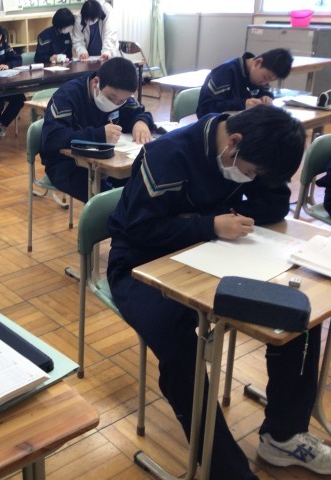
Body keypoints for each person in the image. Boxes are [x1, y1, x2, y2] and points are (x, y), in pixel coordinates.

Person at [107, 104, 331, 478]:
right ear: (234, 142)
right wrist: (208, 225)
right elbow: (139, 229)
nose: (250, 178)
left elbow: (271, 207)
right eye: (252, 171)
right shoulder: (168, 156)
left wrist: (261, 183)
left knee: (297, 313)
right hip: (139, 265)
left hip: (213, 254)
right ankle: (226, 471)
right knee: (180, 348)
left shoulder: (246, 149)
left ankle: (283, 436)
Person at [40, 57, 155, 203]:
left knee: (138, 187)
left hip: (107, 162)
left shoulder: (120, 94)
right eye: (111, 97)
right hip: (66, 164)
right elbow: (52, 139)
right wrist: (99, 135)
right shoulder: (67, 96)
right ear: (96, 82)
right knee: (109, 201)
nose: (115, 103)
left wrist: (141, 122)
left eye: (121, 101)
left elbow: (137, 112)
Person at [196, 48, 293, 118]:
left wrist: (266, 97)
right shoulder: (225, 73)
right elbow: (205, 109)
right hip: (215, 127)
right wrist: (243, 104)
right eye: (265, 77)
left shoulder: (259, 76)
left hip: (241, 123)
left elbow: (263, 92)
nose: (264, 83)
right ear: (257, 62)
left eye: (269, 81)